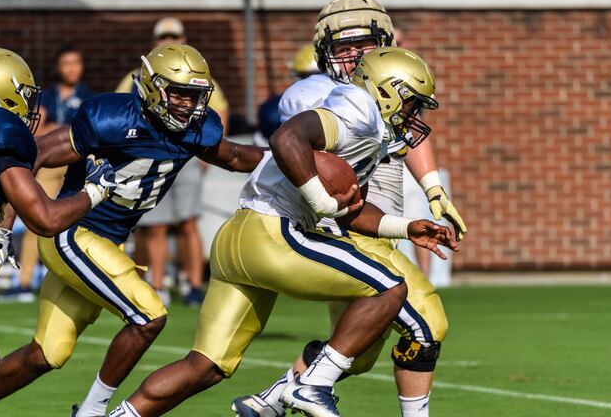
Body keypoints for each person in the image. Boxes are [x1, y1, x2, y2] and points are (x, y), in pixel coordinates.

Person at [108, 47, 458, 417]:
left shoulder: (371, 134)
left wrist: (407, 228)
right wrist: (320, 201)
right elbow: (287, 137)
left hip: (237, 238)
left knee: (205, 366)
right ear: (388, 91)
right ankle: (313, 384)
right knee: (389, 286)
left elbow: (352, 213)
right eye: (411, 104)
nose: (413, 116)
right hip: (272, 233)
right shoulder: (358, 110)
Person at [0, 44, 264, 417]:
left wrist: (286, 159)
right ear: (152, 89)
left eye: (195, 96)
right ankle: (93, 411)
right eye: (179, 94)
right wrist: (5, 224)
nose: (188, 105)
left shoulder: (195, 129)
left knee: (47, 353)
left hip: (104, 243)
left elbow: (237, 157)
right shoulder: (109, 119)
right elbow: (34, 155)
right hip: (71, 233)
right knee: (149, 316)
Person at [232, 0, 467, 417]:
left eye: (367, 44)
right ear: (326, 53)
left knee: (357, 350)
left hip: (377, 226)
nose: (358, 55)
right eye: (344, 48)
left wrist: (433, 189)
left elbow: (409, 137)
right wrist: (324, 198)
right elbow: (303, 145)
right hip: (348, 230)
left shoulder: (382, 93)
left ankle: (271, 400)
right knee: (428, 324)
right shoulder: (321, 94)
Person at [0, 47, 115, 408]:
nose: (28, 107)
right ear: (0, 93)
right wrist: (94, 193)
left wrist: (1, 230)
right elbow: (45, 220)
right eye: (24, 95)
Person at [117, 17, 230, 306]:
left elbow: (220, 109)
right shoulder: (139, 74)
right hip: (149, 155)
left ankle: (193, 284)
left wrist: (209, 152)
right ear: (154, 41)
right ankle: (157, 284)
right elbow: (120, 110)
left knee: (188, 222)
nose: (169, 40)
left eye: (174, 35)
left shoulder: (197, 74)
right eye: (163, 36)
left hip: (186, 154)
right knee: (155, 225)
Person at [0, 43, 95, 303]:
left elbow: (86, 132)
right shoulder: (50, 95)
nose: (71, 69)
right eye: (66, 63)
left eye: (76, 63)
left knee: (77, 224)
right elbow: (37, 130)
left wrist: (55, 128)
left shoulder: (88, 97)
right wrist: (59, 129)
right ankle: (25, 282)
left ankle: (78, 282)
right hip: (49, 165)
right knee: (35, 220)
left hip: (77, 167)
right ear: (58, 67)